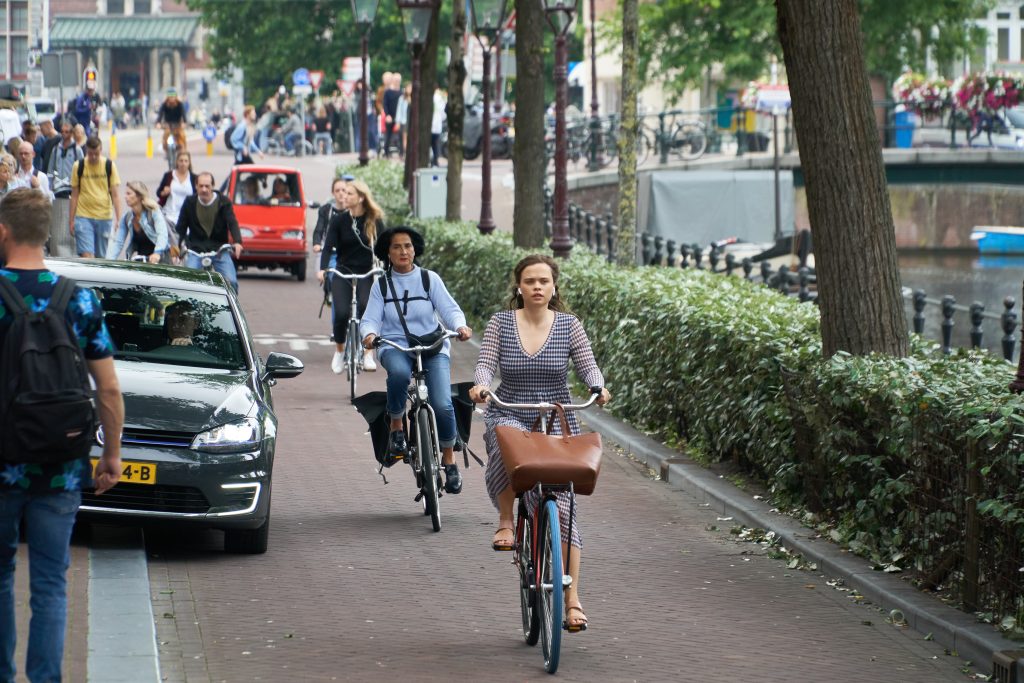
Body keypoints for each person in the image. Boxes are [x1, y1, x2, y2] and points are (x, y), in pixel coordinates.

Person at [0, 187, 123, 683]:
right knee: (51, 584)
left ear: (3, 232)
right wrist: (110, 456)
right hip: (62, 464)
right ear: (46, 232)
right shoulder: (80, 298)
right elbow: (109, 390)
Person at [469, 254, 611, 633]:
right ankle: (505, 521)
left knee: (564, 508)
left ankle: (573, 598)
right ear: (519, 286)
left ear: (553, 287)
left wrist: (597, 386)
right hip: (511, 408)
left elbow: (587, 364)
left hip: (557, 414)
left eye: (543, 281)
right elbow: (486, 363)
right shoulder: (501, 322)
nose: (536, 287)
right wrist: (481, 385)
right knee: (502, 441)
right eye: (529, 281)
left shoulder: (570, 326)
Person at [359, 226, 472, 494]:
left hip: (432, 345)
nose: (403, 251)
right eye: (397, 247)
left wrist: (461, 327)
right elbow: (371, 318)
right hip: (395, 345)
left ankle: (450, 461)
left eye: (408, 246)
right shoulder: (382, 284)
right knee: (398, 374)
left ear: (415, 249)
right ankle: (397, 427)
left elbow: (450, 309)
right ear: (387, 251)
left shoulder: (428, 279)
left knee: (443, 404)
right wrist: (370, 334)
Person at [318, 178, 384, 373]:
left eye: (349, 193)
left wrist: (388, 269)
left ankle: (367, 354)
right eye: (343, 192)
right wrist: (322, 269)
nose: (344, 197)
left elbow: (385, 247)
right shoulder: (339, 220)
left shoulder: (375, 220)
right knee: (341, 313)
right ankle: (339, 351)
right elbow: (328, 247)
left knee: (366, 309)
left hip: (366, 272)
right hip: (343, 271)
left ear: (361, 197)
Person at [175, 172, 243, 292]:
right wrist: (176, 247)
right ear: (196, 186)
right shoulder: (189, 202)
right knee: (187, 282)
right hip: (195, 250)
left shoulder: (224, 202)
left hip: (219, 250)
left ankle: (232, 308)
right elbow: (181, 227)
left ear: (213, 186)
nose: (204, 189)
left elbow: (232, 222)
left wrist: (237, 242)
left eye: (207, 186)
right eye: (201, 186)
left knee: (231, 281)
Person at [69, 136, 122, 259]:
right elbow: (74, 195)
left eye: (96, 154)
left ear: (101, 150)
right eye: (90, 154)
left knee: (101, 257)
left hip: (104, 216)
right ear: (86, 151)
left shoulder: (109, 166)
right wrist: (71, 219)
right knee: (87, 256)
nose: (93, 157)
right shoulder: (79, 166)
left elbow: (115, 195)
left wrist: (119, 219)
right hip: (83, 216)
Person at [105, 181, 169, 263]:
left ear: (139, 196)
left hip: (160, 259)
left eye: (129, 194)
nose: (125, 197)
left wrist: (157, 253)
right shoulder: (127, 217)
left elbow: (162, 234)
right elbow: (118, 242)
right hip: (142, 261)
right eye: (125, 194)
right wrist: (108, 262)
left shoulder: (154, 212)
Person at [156, 149, 197, 250]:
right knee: (171, 242)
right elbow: (159, 193)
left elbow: (198, 196)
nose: (183, 163)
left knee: (185, 243)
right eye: (181, 160)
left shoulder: (194, 178)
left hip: (186, 215)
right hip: (170, 214)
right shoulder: (169, 176)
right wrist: (164, 192)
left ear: (189, 163)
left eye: (186, 161)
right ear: (177, 162)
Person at [46, 118, 83, 198]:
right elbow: (50, 169)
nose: (64, 134)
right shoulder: (56, 149)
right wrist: (50, 186)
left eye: (66, 132)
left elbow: (82, 170)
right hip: (57, 189)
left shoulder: (77, 150)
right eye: (62, 131)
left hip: (72, 189)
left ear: (71, 133)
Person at [157, 88, 187, 155]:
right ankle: (166, 151)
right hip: (168, 124)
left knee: (182, 136)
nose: (171, 98)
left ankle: (183, 151)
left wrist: (184, 122)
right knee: (166, 135)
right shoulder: (164, 104)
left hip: (178, 124)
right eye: (170, 96)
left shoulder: (180, 104)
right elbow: (160, 114)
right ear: (167, 97)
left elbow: (183, 113)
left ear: (176, 96)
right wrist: (158, 123)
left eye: (173, 96)